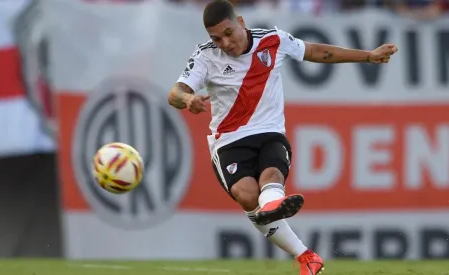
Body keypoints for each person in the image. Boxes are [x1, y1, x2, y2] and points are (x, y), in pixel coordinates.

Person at [167, 0, 397, 274]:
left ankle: (279, 217)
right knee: (246, 195)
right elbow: (175, 93)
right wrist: (188, 98)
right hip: (228, 141)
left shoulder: (273, 41)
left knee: (272, 175)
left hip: (269, 132)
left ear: (241, 22)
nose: (225, 43)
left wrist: (368, 56)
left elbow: (315, 51)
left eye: (228, 33)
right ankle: (301, 248)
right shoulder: (206, 57)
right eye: (216, 38)